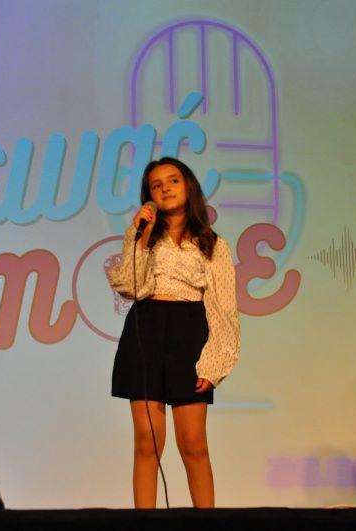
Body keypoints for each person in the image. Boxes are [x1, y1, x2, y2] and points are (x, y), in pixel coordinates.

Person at [107, 157, 241, 509]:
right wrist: (141, 237)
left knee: (194, 444)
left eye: (173, 180)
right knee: (146, 442)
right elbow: (130, 286)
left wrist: (214, 363)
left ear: (188, 186)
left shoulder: (213, 244)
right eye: (156, 184)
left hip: (189, 332)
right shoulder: (143, 237)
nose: (165, 188)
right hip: (146, 329)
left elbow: (224, 309)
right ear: (149, 196)